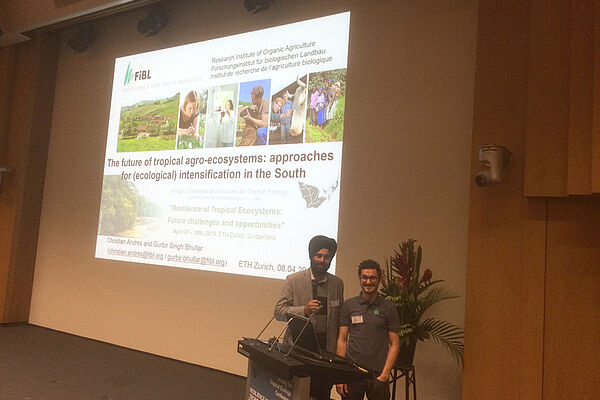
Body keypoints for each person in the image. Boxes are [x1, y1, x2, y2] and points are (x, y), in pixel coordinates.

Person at [274, 235, 344, 400]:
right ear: (311, 256)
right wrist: (304, 310)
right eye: (318, 255)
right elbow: (278, 311)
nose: (322, 260)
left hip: (325, 353)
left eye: (326, 257)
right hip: (298, 349)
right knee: (297, 394)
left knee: (322, 394)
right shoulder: (293, 280)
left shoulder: (337, 284)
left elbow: (339, 317)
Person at [336, 259, 400, 400]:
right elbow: (342, 340)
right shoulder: (349, 305)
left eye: (372, 278)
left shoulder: (388, 307)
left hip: (377, 375)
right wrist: (340, 375)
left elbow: (395, 344)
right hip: (352, 374)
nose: (368, 282)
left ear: (379, 279)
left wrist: (384, 375)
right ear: (359, 278)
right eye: (364, 277)